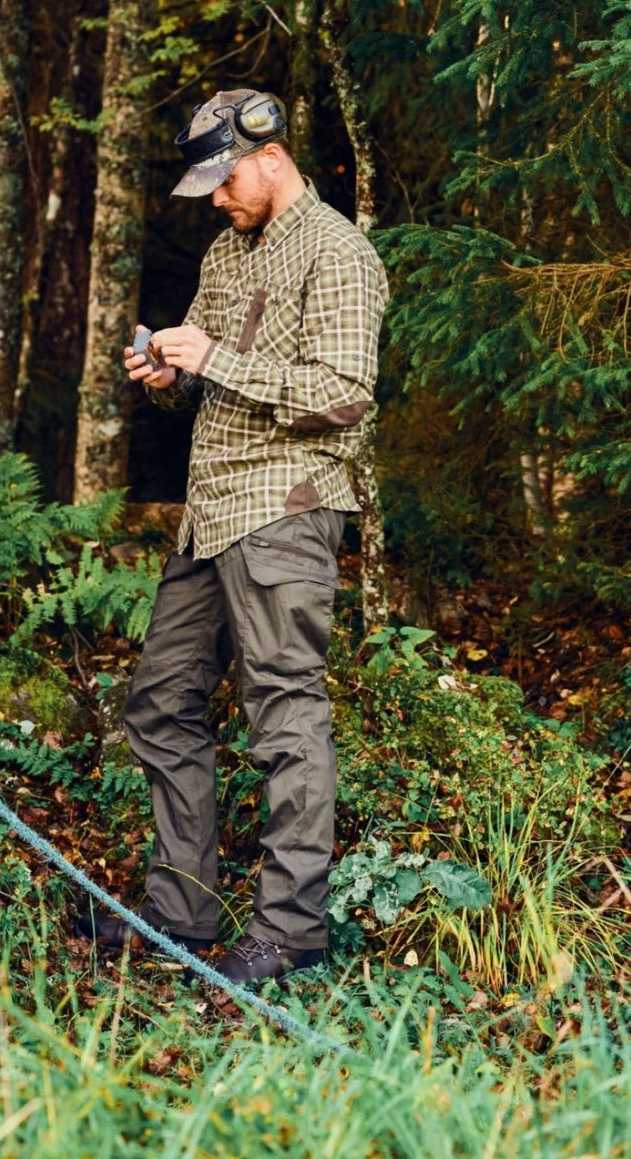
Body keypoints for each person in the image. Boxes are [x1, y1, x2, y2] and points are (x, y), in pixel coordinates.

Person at [76, 88, 387, 984]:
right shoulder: (226, 252)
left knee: (284, 712)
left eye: (225, 181)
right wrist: (169, 375)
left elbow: (346, 396)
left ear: (271, 157)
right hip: (209, 513)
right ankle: (183, 909)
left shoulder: (339, 253)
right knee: (160, 702)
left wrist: (216, 359)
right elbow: (212, 385)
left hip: (286, 509)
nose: (217, 199)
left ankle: (291, 932)